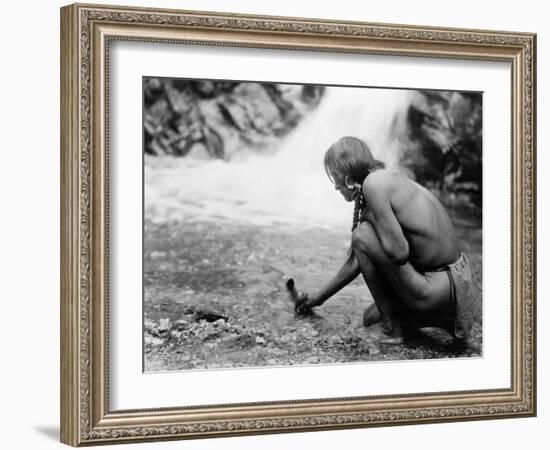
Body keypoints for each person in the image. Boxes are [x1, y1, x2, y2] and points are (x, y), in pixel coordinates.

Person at [295, 136, 480, 343]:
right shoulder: (386, 179)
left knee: (362, 234)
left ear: (348, 177)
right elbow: (356, 260)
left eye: (335, 175)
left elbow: (398, 252)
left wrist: (370, 221)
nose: (335, 185)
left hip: (440, 286)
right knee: (370, 318)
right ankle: (444, 320)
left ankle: (393, 330)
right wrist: (317, 299)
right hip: (457, 287)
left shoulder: (373, 185)